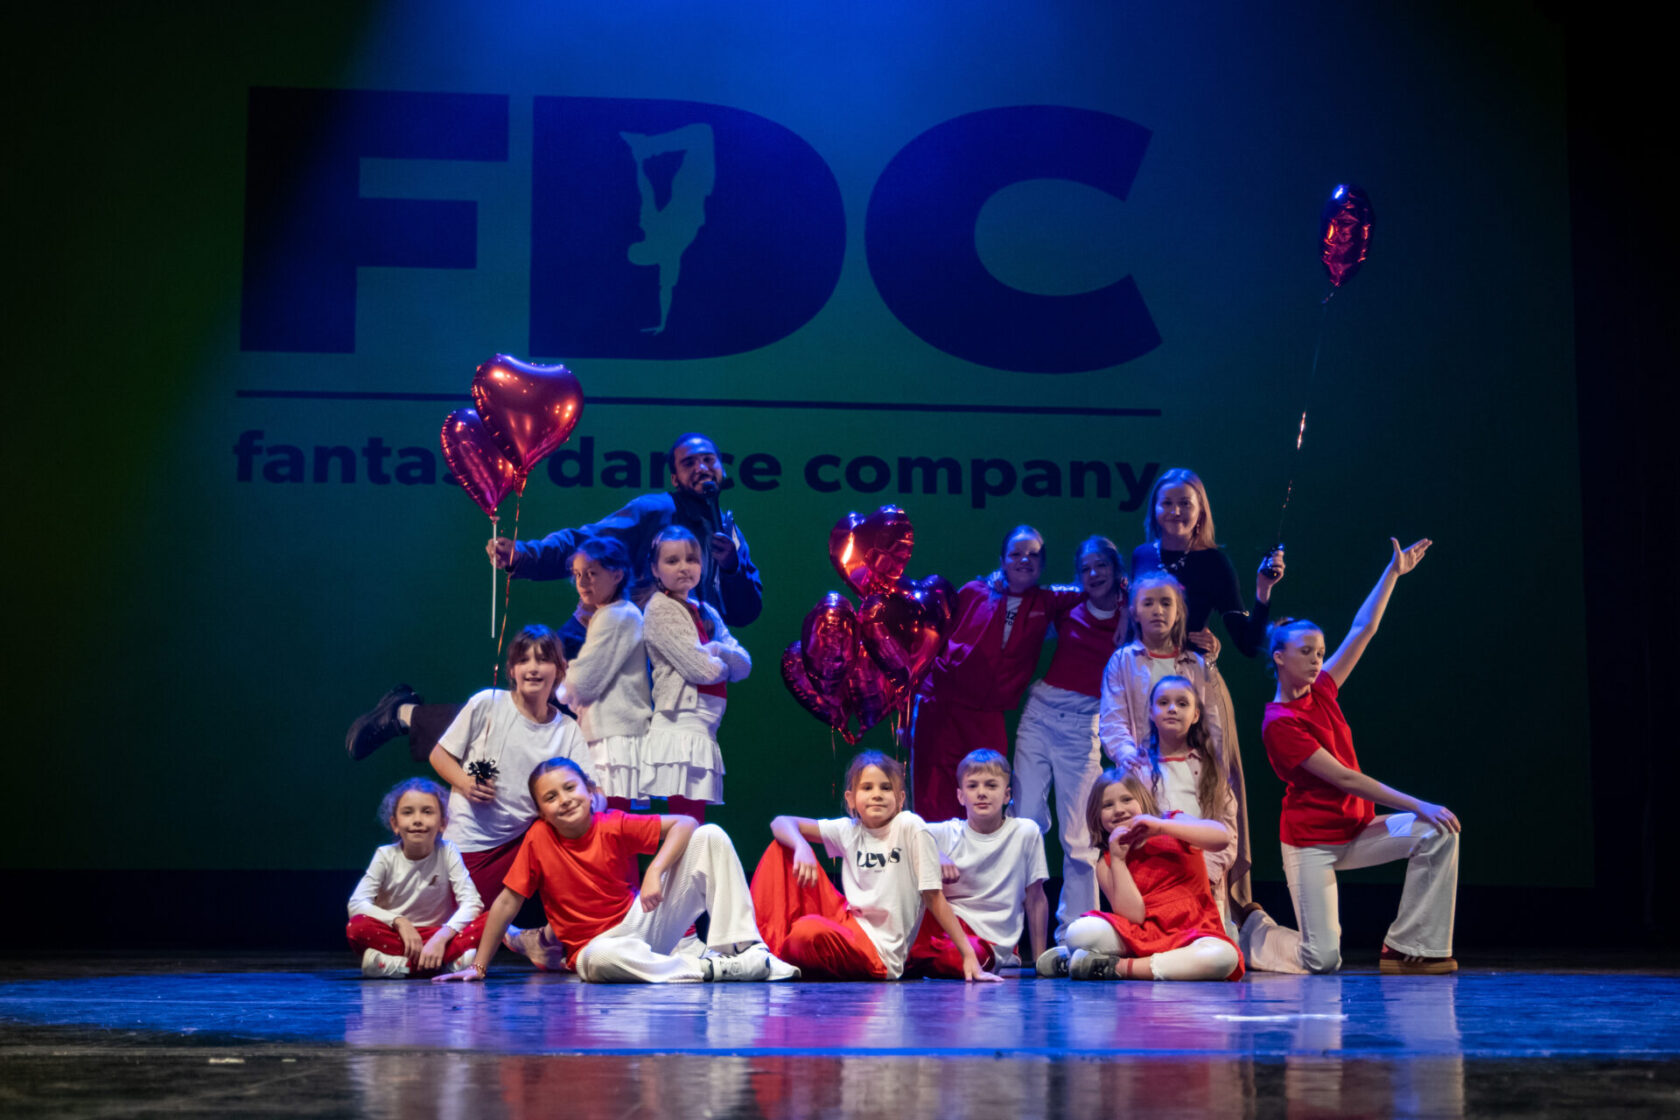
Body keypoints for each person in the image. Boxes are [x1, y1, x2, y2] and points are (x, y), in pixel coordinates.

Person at [1240, 537, 1462, 976]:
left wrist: (1392, 573)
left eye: (1320, 653)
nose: (1317, 660)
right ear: (1279, 657)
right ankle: (1251, 930)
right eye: (1306, 652)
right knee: (1321, 959)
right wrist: (1417, 803)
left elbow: (1363, 629)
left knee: (1438, 833)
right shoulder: (1279, 722)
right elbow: (1346, 779)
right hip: (1311, 843)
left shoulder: (1321, 689)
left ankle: (1409, 948)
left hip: (1356, 831)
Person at [436, 757, 796, 983]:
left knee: (710, 835)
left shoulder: (611, 824)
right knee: (596, 960)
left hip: (640, 925)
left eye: (570, 788)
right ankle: (708, 969)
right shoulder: (538, 838)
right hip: (599, 949)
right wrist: (479, 967)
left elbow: (685, 823)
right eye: (551, 797)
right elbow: (506, 903)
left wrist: (655, 871)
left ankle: (745, 951)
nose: (564, 800)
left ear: (590, 792)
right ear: (542, 812)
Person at [489, 433, 762, 650]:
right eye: (688, 463)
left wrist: (731, 567)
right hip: (619, 652)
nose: (701, 468)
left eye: (708, 460)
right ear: (675, 479)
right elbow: (587, 542)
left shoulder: (731, 535)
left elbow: (745, 613)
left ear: (722, 469)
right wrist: (524, 555)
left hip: (680, 663)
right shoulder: (655, 510)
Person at [750, 751, 1001, 982]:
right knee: (781, 848)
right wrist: (802, 845)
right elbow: (780, 822)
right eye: (867, 788)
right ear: (851, 799)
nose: (877, 794)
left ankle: (777, 954)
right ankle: (758, 949)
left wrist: (968, 955)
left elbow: (934, 897)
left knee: (806, 934)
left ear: (900, 799)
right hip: (850, 923)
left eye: (886, 787)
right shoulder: (848, 829)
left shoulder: (910, 826)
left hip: (880, 950)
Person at [909, 526, 1083, 820]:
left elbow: (1090, 592)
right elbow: (933, 639)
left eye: (1033, 555)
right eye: (1016, 554)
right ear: (1002, 560)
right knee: (934, 796)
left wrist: (1122, 589)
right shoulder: (974, 592)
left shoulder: (1047, 601)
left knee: (987, 792)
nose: (1024, 559)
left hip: (988, 715)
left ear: (1042, 565)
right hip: (943, 707)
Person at [425, 625, 596, 908]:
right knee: (470, 924)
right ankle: (519, 932)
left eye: (543, 659)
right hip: (471, 841)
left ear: (559, 669)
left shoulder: (567, 728)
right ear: (512, 670)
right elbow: (439, 755)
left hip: (523, 842)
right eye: (523, 660)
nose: (533, 668)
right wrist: (466, 783)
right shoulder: (487, 703)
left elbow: (593, 790)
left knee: (557, 836)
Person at [1012, 535, 1124, 941]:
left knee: (1080, 837)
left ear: (1116, 569)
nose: (1093, 574)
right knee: (1024, 822)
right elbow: (1025, 598)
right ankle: (1007, 932)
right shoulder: (1069, 604)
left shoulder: (1131, 612)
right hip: (1040, 716)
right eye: (1085, 568)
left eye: (1101, 565)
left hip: (1082, 726)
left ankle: (1077, 936)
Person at [1037, 765, 1243, 982]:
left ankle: (1115, 966)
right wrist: (1118, 860)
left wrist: (1162, 827)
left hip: (1193, 930)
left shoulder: (1172, 821)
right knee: (1078, 933)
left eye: (1127, 799)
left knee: (1224, 957)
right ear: (1097, 816)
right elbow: (1134, 916)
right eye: (1108, 805)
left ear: (1142, 800)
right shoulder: (1106, 863)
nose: (1118, 809)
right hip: (1143, 934)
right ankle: (1081, 958)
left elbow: (1222, 837)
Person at [641, 526, 750, 820]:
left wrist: (717, 649)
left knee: (693, 818)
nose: (684, 567)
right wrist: (721, 662)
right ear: (655, 568)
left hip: (704, 725)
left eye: (691, 559)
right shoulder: (660, 608)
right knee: (685, 818)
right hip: (680, 722)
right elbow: (702, 669)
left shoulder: (706, 611)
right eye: (672, 561)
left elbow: (744, 665)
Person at [912, 750, 1049, 977]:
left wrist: (1040, 962)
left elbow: (1036, 899)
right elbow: (903, 832)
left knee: (972, 954)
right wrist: (935, 854)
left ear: (1006, 795)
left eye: (991, 785)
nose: (982, 793)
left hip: (989, 944)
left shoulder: (1025, 832)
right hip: (947, 928)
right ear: (961, 796)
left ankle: (915, 958)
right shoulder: (946, 833)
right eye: (973, 786)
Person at [346, 778, 486, 979]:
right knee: (357, 927)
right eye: (407, 812)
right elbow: (357, 903)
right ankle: (444, 965)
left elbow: (472, 902)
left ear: (443, 823)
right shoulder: (385, 855)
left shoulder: (448, 851)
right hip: (399, 938)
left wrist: (441, 937)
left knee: (492, 923)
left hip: (439, 936)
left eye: (427, 812)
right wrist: (399, 922)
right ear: (395, 824)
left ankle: (398, 966)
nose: (417, 820)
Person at [556, 538, 652, 805]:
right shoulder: (612, 614)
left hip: (612, 739)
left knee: (611, 822)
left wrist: (563, 683)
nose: (582, 582)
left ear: (617, 574)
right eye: (577, 575)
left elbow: (582, 684)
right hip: (610, 734)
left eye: (591, 573)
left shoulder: (615, 616)